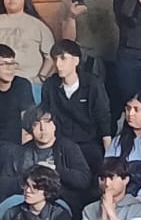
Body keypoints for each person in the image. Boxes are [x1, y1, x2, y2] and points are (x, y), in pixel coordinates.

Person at [41, 40, 117, 173]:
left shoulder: (93, 84)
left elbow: (103, 118)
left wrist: (109, 157)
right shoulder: (50, 85)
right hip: (60, 145)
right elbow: (46, 117)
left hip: (89, 144)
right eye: (55, 59)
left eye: (63, 58)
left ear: (76, 61)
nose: (58, 64)